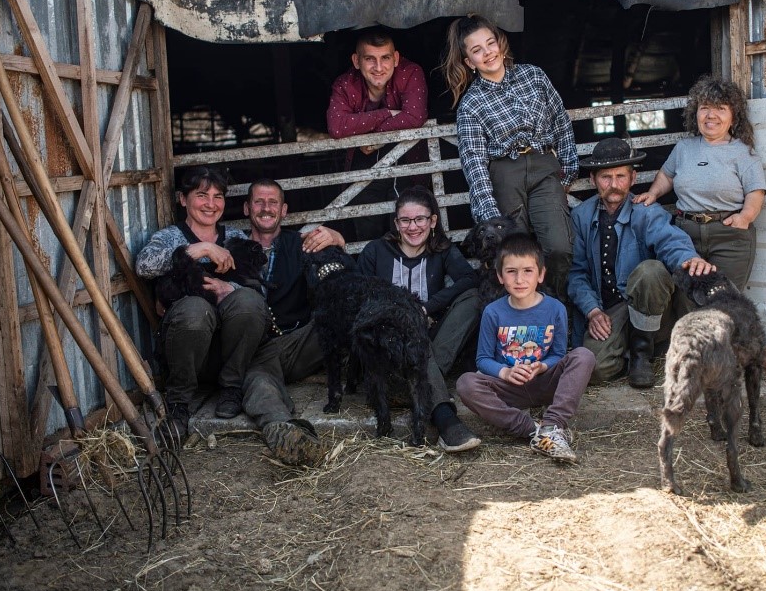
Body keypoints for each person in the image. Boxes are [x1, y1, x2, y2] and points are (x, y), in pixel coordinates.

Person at [444, 13, 578, 302]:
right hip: (504, 175)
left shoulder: (534, 76)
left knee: (558, 247)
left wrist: (567, 171)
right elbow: (474, 162)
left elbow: (560, 121)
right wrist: (489, 214)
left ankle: (555, 307)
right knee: (516, 254)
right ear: (469, 62)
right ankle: (522, 314)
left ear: (500, 44)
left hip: (544, 168)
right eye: (477, 50)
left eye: (490, 43)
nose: (487, 53)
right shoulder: (471, 104)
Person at [567, 138, 715, 389]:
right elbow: (576, 273)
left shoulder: (646, 210)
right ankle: (633, 348)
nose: (614, 185)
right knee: (594, 368)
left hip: (646, 303)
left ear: (633, 179)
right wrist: (592, 310)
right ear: (593, 180)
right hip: (610, 309)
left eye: (621, 176)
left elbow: (671, 240)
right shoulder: (581, 217)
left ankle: (642, 355)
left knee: (650, 271)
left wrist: (687, 258)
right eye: (605, 177)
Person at [136, 167, 268, 431]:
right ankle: (179, 402)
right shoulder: (169, 237)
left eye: (218, 196)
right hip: (185, 351)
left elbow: (259, 288)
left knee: (248, 302)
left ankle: (232, 388)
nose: (211, 204)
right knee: (196, 309)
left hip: (226, 352)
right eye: (202, 195)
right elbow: (144, 266)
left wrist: (227, 287)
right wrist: (200, 249)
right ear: (183, 199)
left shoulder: (235, 238)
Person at [356, 185, 483, 452]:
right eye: (405, 220)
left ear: (433, 220)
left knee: (473, 299)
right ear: (396, 223)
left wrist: (425, 309)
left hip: (429, 338)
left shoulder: (442, 251)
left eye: (420, 219)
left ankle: (420, 384)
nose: (413, 227)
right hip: (389, 350)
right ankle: (446, 420)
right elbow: (360, 300)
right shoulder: (375, 251)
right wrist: (402, 316)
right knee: (414, 341)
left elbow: (469, 279)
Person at [455, 233, 596, 463]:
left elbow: (559, 354)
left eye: (528, 271)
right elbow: (482, 359)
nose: (519, 279)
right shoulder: (493, 312)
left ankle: (553, 425)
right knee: (466, 383)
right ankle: (532, 430)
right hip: (509, 387)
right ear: (500, 276)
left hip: (545, 381)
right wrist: (506, 372)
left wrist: (542, 366)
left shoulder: (555, 309)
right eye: (511, 271)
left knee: (583, 356)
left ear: (541, 275)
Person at [240, 179, 348, 465]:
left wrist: (338, 239)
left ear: (284, 210)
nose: (266, 208)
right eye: (259, 202)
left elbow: (345, 270)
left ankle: (386, 380)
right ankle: (286, 432)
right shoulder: (231, 250)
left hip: (300, 342)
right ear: (246, 208)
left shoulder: (299, 244)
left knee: (339, 311)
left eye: (273, 202)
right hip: (256, 353)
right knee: (258, 385)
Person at [633, 76, 766, 291]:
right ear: (695, 113)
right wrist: (653, 194)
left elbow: (756, 191)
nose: (711, 115)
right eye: (704, 108)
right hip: (685, 236)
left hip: (728, 236)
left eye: (720, 109)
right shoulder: (684, 148)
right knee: (687, 301)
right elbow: (667, 175)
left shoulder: (743, 152)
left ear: (733, 117)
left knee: (723, 300)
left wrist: (745, 217)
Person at [327, 28, 429, 241]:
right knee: (368, 233)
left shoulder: (410, 72)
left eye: (385, 58)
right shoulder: (345, 84)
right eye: (370, 59)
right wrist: (387, 114)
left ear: (396, 58)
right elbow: (337, 126)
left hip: (408, 165)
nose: (379, 67)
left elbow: (415, 116)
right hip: (363, 168)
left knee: (409, 230)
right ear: (356, 61)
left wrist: (374, 137)